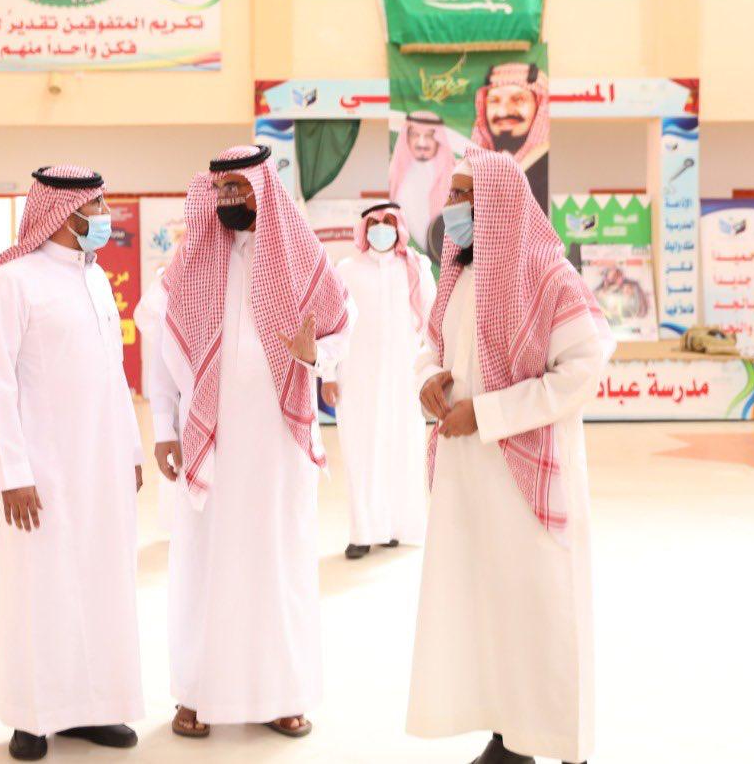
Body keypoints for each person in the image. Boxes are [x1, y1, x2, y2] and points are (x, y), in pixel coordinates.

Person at [406, 150, 613, 764]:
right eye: (451, 196)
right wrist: (428, 377)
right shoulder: (458, 276)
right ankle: (507, 739)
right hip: (469, 477)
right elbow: (432, 345)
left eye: (461, 196)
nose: (451, 208)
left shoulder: (550, 278)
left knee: (542, 610)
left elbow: (583, 369)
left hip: (529, 477)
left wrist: (489, 414)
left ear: (495, 202)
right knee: (488, 608)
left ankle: (563, 745)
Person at [147, 145, 355, 740]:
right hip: (208, 441)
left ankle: (281, 694)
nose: (230, 198)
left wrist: (318, 353)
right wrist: (163, 427)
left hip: (278, 448)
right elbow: (163, 349)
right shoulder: (190, 263)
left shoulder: (301, 257)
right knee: (204, 566)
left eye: (240, 187)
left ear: (264, 188)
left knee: (278, 562)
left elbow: (343, 327)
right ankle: (196, 693)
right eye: (222, 189)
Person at [0, 166, 144, 761]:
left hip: (102, 465)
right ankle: (33, 717)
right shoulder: (11, 282)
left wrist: (131, 449)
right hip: (40, 471)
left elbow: (114, 374)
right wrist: (12, 474)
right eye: (99, 205)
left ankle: (94, 709)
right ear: (67, 213)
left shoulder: (95, 278)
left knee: (101, 581)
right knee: (40, 589)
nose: (106, 216)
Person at [330, 202, 435, 559]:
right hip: (356, 378)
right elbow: (332, 323)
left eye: (389, 222)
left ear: (400, 227)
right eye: (374, 222)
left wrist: (434, 372)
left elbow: (433, 321)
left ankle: (394, 528)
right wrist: (328, 373)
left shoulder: (416, 268)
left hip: (404, 379)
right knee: (361, 453)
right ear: (363, 229)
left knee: (402, 450)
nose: (382, 228)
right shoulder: (347, 270)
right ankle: (362, 532)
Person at [471, 62, 551, 210]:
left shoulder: (552, 166)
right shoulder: (474, 171)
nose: (503, 112)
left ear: (540, 106)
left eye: (518, 100)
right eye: (494, 101)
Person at [389, 110, 455, 254]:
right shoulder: (394, 175)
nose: (421, 143)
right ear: (407, 137)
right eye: (415, 135)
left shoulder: (453, 177)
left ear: (438, 139)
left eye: (429, 136)